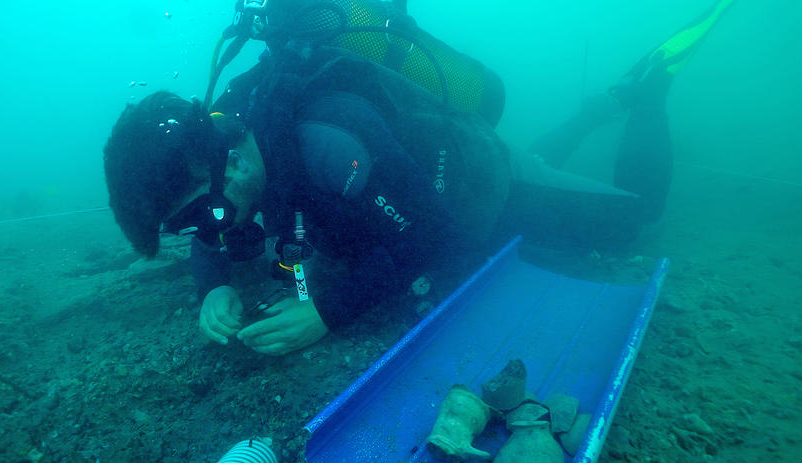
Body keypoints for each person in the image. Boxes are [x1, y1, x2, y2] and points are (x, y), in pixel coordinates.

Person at [103, 1, 731, 355]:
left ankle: (648, 91)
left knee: (633, 216)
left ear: (233, 160)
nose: (207, 232)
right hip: (413, 170)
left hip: (483, 187)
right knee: (537, 162)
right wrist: (210, 286)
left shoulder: (328, 141)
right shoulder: (234, 131)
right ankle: (600, 108)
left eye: (199, 218)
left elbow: (436, 236)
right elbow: (219, 227)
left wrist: (327, 310)